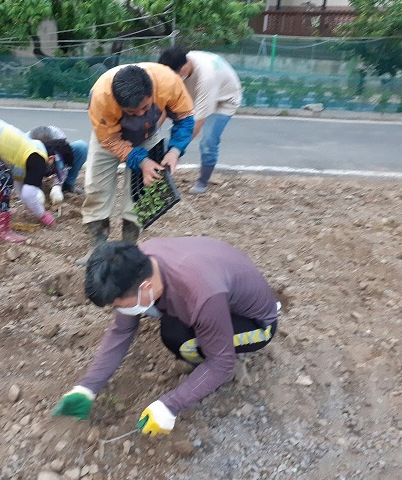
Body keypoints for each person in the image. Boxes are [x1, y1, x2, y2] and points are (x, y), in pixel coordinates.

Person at [53, 239, 279, 435]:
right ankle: (211, 341)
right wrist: (88, 386)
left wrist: (170, 405)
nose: (115, 310)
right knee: (171, 329)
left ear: (145, 287)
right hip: (216, 293)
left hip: (256, 323)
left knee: (183, 343)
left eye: (118, 305)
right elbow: (121, 330)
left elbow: (221, 363)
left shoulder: (202, 295)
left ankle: (209, 372)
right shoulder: (138, 262)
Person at [79, 63, 195, 264]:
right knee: (96, 188)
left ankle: (128, 249)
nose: (140, 114)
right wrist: (141, 160)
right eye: (132, 113)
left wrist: (175, 151)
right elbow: (109, 140)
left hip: (148, 135)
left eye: (145, 107)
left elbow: (184, 118)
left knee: (141, 193)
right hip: (109, 138)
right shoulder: (100, 96)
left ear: (152, 92)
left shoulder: (168, 81)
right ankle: (97, 249)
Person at [0, 116, 78, 243]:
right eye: (53, 170)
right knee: (2, 178)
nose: (50, 174)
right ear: (52, 158)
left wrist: (31, 205)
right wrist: (42, 215)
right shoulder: (38, 158)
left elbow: (20, 183)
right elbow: (29, 194)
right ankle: (1, 231)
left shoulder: (32, 148)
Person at [158, 46, 243, 195]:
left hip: (224, 100)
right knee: (177, 127)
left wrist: (176, 151)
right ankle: (165, 167)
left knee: (208, 140)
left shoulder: (206, 77)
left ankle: (203, 181)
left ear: (184, 68)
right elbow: (163, 107)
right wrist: (151, 131)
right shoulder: (177, 67)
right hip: (197, 94)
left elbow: (197, 122)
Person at [27, 125, 88, 203]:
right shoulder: (25, 141)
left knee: (81, 146)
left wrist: (57, 185)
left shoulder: (58, 137)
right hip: (34, 163)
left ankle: (68, 184)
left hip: (54, 161)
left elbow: (64, 160)